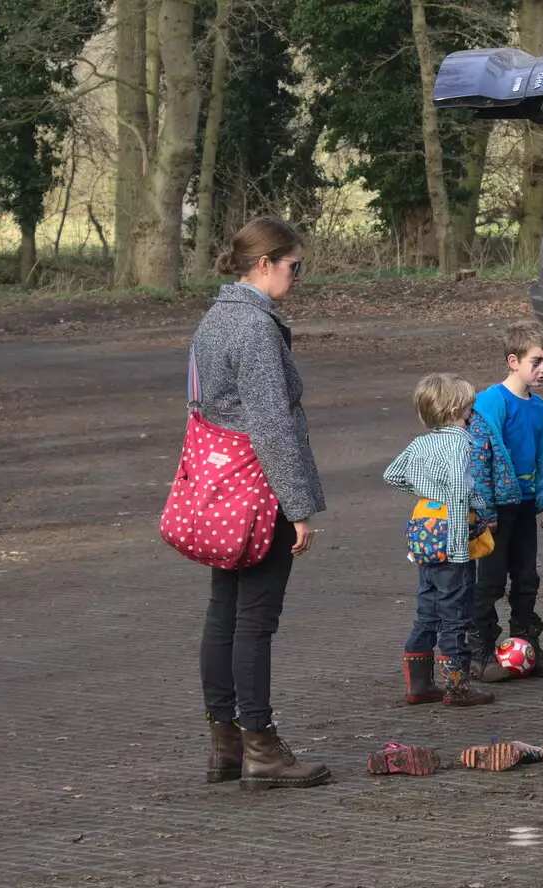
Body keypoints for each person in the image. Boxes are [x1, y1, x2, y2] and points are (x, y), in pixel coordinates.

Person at [192, 216, 331, 791]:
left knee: (224, 611)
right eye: (294, 266)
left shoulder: (213, 320)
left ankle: (225, 743)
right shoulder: (252, 329)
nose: (298, 277)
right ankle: (262, 748)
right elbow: (271, 424)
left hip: (222, 489)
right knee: (254, 620)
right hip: (258, 489)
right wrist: (296, 505)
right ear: (264, 264)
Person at [384, 373, 498, 708]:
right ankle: (457, 687)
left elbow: (392, 474)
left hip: (424, 532)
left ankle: (418, 684)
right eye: (469, 408)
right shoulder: (460, 444)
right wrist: (461, 546)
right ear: (457, 410)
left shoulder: (420, 443)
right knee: (456, 612)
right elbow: (461, 495)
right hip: (452, 535)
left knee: (427, 607)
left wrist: (426, 492)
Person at [467, 321, 543, 682]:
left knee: (526, 578)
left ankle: (527, 647)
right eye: (537, 361)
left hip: (523, 506)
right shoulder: (491, 402)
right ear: (513, 360)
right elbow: (480, 458)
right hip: (494, 510)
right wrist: (485, 508)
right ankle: (480, 652)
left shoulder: (539, 408)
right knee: (490, 581)